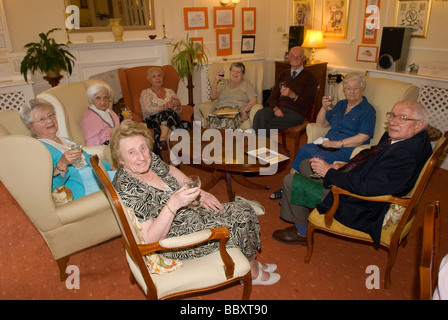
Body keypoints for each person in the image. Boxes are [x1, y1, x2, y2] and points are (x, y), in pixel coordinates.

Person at [110, 120, 280, 285]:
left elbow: (170, 169)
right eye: (131, 152)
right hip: (177, 239)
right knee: (241, 218)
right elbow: (150, 239)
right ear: (121, 160)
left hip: (189, 214)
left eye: (143, 147)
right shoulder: (128, 188)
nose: (141, 156)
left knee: (244, 208)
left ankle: (251, 262)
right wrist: (174, 203)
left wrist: (199, 192)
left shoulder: (150, 161)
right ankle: (252, 271)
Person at [272, 100, 432, 246]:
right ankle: (305, 201)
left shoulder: (405, 154)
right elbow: (372, 153)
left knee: (291, 181)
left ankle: (302, 232)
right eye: (393, 115)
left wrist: (330, 173)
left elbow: (367, 188)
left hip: (359, 203)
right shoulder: (406, 139)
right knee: (306, 165)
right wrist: (346, 165)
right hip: (358, 180)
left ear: (419, 124)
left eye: (403, 118)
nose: (393, 121)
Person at [269, 72, 376, 200]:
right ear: (344, 90)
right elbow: (321, 123)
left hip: (345, 149)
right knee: (304, 149)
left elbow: (363, 136)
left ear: (362, 89)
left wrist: (337, 143)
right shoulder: (341, 105)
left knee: (319, 158)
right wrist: (324, 108)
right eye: (348, 88)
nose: (351, 91)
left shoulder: (367, 110)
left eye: (355, 88)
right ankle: (286, 188)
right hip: (326, 143)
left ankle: (300, 193)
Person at [19, 98, 116, 200]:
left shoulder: (65, 140)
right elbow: (48, 188)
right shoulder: (39, 149)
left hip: (97, 175)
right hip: (83, 186)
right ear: (31, 127)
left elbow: (89, 158)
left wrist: (112, 167)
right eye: (41, 119)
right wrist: (62, 164)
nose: (49, 121)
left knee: (130, 176)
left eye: (50, 115)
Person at [252, 46, 318, 137]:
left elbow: (308, 103)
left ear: (304, 58)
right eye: (292, 56)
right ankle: (262, 148)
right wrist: (276, 109)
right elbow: (272, 97)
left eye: (298, 56)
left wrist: (293, 96)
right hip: (278, 109)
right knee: (260, 114)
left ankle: (259, 148)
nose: (295, 58)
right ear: (289, 58)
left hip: (296, 113)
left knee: (265, 124)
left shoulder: (310, 78)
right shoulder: (283, 75)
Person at [140, 67, 190, 150]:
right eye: (154, 76)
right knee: (168, 117)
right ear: (150, 80)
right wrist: (164, 107)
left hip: (170, 118)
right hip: (153, 119)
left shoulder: (170, 91)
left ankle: (163, 139)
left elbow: (179, 111)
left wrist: (178, 105)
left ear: (162, 78)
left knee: (169, 116)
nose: (157, 78)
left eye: (159, 76)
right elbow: (147, 109)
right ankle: (172, 158)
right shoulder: (146, 93)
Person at [205, 62, 258, 130]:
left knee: (226, 123)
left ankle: (224, 139)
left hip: (236, 112)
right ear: (230, 72)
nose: (235, 73)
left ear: (242, 75)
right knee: (210, 122)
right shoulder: (224, 82)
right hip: (221, 111)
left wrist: (244, 111)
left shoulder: (246, 83)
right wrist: (215, 81)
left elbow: (254, 101)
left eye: (238, 72)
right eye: (233, 71)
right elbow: (213, 96)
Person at [81, 82, 132, 146]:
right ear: (92, 99)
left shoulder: (110, 112)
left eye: (105, 98)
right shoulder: (89, 118)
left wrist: (126, 120)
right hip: (106, 149)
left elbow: (119, 132)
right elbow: (91, 145)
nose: (103, 102)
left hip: (118, 144)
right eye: (98, 98)